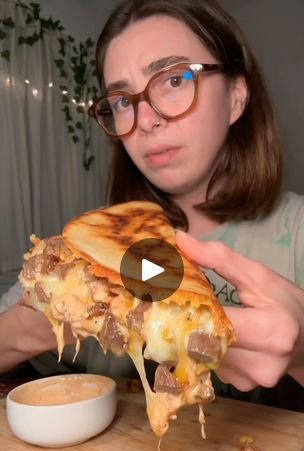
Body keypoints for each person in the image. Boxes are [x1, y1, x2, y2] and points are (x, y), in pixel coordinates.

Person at [0, 0, 303, 409]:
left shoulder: (297, 231)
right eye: (123, 100)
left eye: (174, 79)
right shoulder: (87, 249)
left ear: (235, 96)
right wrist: (33, 328)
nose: (144, 120)